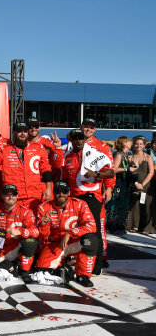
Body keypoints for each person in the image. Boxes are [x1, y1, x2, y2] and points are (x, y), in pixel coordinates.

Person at [61, 128, 114, 275]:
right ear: (71, 140)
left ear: (84, 139)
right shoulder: (68, 156)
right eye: (75, 138)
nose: (78, 140)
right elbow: (65, 178)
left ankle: (97, 265)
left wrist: (97, 174)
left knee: (94, 231)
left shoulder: (95, 153)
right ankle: (81, 261)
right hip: (75, 198)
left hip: (91, 198)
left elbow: (110, 172)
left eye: (80, 138)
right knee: (77, 230)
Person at [35, 181, 99, 287]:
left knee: (90, 241)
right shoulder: (43, 207)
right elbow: (43, 236)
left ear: (69, 192)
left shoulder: (80, 204)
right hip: (55, 244)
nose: (61, 194)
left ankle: (83, 275)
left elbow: (92, 225)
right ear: (54, 193)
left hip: (75, 242)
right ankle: (63, 266)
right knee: (42, 270)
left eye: (64, 191)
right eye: (58, 191)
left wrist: (71, 233)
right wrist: (43, 224)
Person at [0, 122, 53, 214]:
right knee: (15, 225)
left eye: (25, 131)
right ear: (13, 133)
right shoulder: (6, 150)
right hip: (14, 197)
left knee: (33, 224)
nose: (23, 134)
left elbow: (46, 169)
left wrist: (48, 188)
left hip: (34, 196)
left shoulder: (38, 149)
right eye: (19, 131)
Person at [0, 184, 39, 282]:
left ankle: (25, 270)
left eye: (13, 194)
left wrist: (20, 232)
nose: (11, 197)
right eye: (7, 194)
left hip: (17, 246)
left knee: (30, 241)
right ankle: (13, 265)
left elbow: (36, 231)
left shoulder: (25, 212)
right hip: (0, 247)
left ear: (17, 196)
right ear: (2, 196)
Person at [81, 118, 116, 261]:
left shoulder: (102, 146)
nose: (88, 129)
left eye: (91, 127)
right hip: (79, 191)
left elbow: (110, 169)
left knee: (99, 223)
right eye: (86, 126)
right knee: (81, 223)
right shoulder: (76, 143)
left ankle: (102, 256)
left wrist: (109, 188)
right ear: (82, 127)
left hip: (96, 191)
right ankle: (81, 254)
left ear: (95, 129)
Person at [127, 136, 154, 234]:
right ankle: (135, 226)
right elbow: (128, 173)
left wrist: (142, 184)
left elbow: (151, 172)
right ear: (134, 145)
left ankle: (147, 227)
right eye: (137, 143)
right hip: (134, 185)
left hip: (146, 185)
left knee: (147, 206)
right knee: (135, 206)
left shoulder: (148, 157)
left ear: (144, 145)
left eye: (141, 144)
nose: (139, 146)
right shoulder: (130, 157)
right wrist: (136, 184)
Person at [106, 136, 132, 234]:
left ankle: (120, 225)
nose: (130, 143)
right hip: (118, 184)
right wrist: (127, 169)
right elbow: (114, 169)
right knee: (115, 206)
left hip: (124, 184)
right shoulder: (119, 155)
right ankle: (113, 226)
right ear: (124, 143)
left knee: (122, 206)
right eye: (129, 141)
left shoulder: (126, 154)